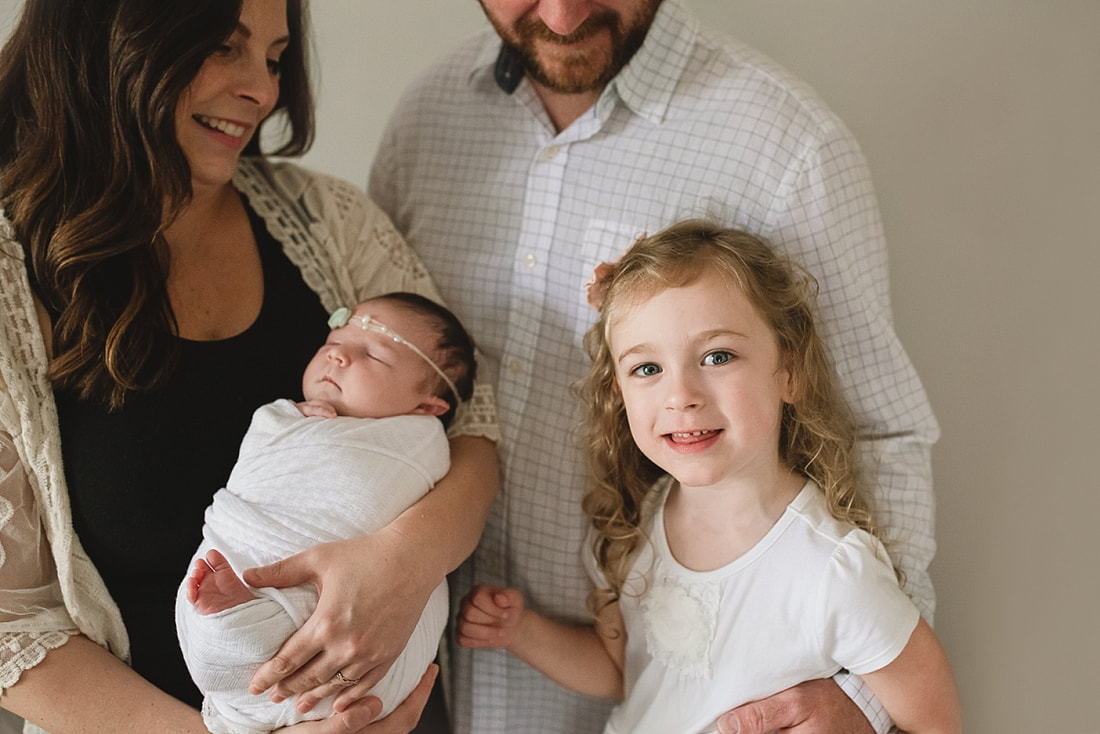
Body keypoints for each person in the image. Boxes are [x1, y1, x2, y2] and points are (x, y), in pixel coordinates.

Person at [367, 1, 939, 732]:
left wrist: (864, 702)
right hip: (421, 689)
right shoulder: (426, 119)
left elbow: (879, 432)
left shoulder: (786, 143)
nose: (565, 11)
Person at [0, 1, 498, 732]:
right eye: (225, 49)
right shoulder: (13, 282)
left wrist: (402, 562)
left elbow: (474, 431)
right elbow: (12, 623)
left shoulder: (329, 221)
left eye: (273, 57)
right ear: (114, 36)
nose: (263, 91)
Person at [456, 221, 962, 734]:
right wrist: (522, 631)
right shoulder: (638, 525)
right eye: (647, 368)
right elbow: (628, 675)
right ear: (618, 391)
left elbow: (935, 722)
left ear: (789, 371)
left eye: (717, 356)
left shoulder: (832, 570)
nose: (681, 394)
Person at [176, 293, 477, 734]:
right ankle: (237, 617)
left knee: (257, 630)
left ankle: (240, 621)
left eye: (373, 353)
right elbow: (261, 467)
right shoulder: (282, 421)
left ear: (427, 407)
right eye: (335, 338)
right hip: (263, 574)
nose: (337, 353)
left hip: (371, 659)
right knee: (214, 613)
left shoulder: (421, 443)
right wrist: (286, 421)